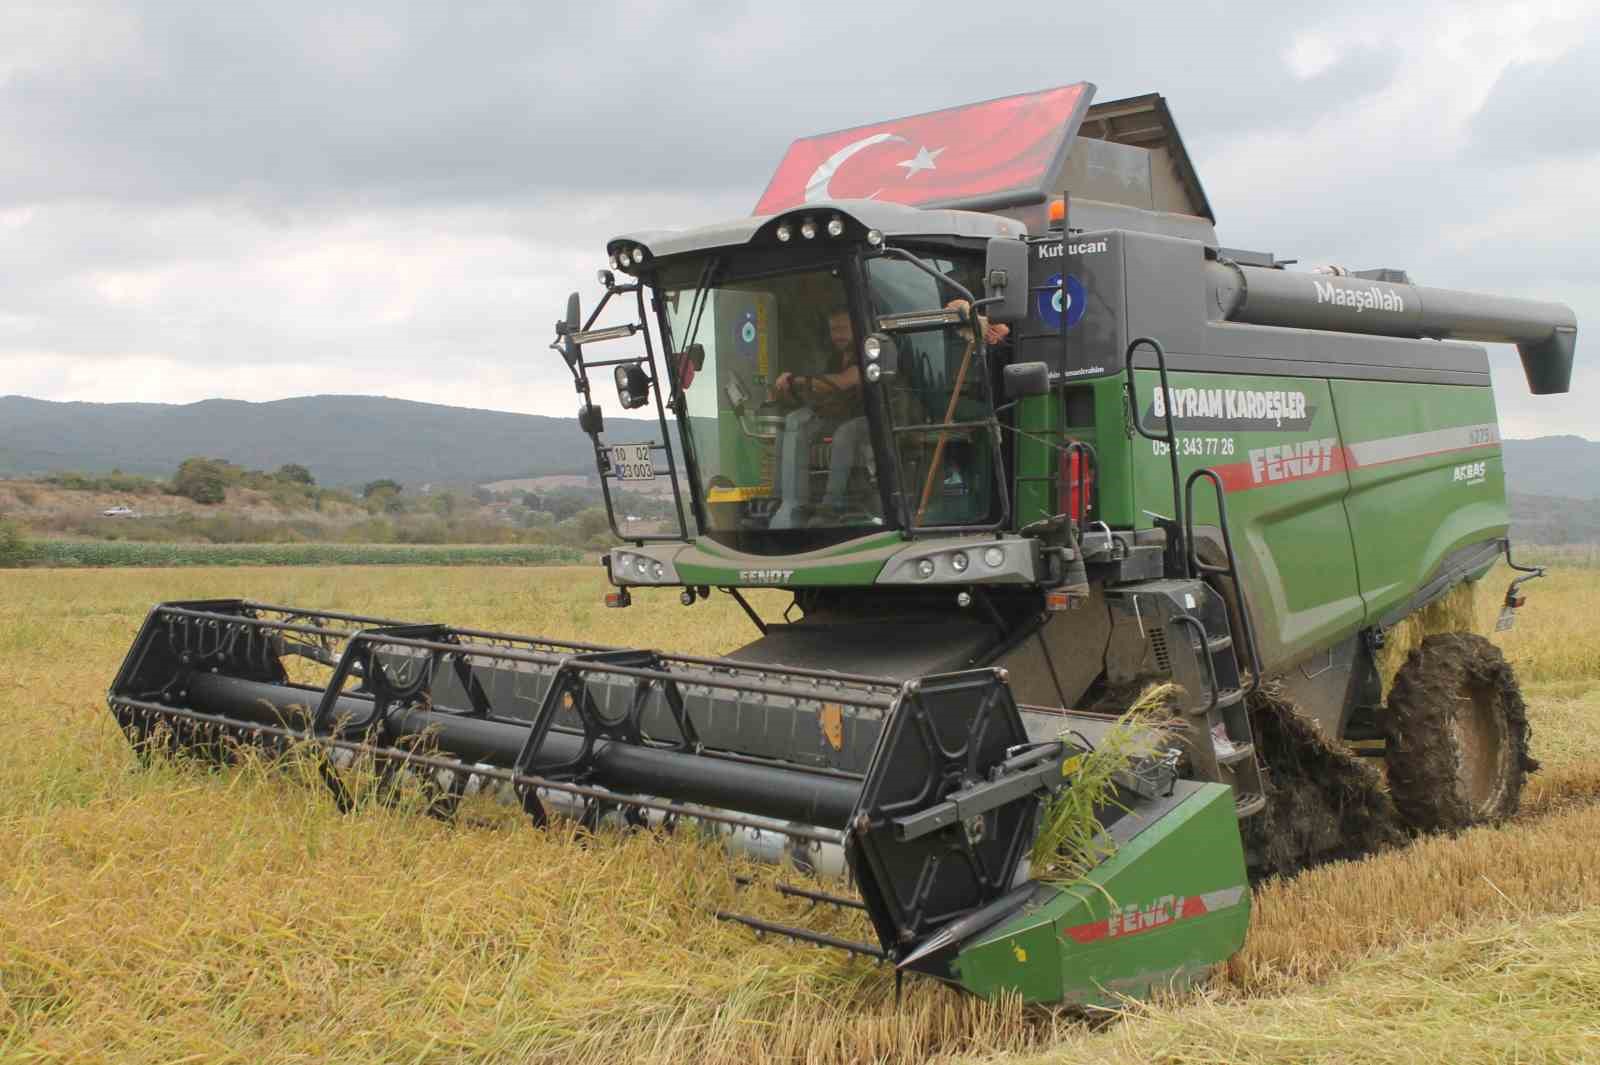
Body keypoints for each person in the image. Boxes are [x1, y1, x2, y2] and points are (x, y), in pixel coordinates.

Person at [768, 308, 871, 527]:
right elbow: (824, 388)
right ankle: (783, 499)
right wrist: (790, 388)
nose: (838, 335)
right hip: (842, 416)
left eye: (843, 329)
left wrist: (798, 380)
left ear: (857, 327)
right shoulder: (835, 358)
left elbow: (844, 381)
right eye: (834, 330)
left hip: (874, 418)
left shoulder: (869, 352)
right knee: (791, 425)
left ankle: (830, 506)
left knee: (845, 433)